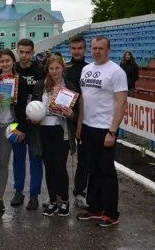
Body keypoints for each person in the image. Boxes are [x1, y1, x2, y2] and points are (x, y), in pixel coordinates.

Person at [76, 36, 127, 227]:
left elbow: (121, 102)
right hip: (88, 126)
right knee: (92, 169)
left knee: (106, 170)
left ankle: (111, 213)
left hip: (106, 128)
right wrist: (80, 123)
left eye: (101, 48)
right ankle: (95, 208)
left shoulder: (116, 71)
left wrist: (112, 132)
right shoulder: (86, 69)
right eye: (94, 48)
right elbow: (83, 99)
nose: (96, 51)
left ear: (109, 49)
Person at [0, 49, 29, 213]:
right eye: (2, 61)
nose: (5, 64)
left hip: (9, 127)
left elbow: (22, 106)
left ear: (13, 62)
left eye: (8, 61)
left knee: (3, 162)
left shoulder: (20, 81)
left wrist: (22, 128)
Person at [33, 55, 78, 217]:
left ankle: (64, 201)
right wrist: (33, 115)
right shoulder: (40, 86)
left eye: (57, 68)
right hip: (45, 130)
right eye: (51, 68)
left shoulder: (70, 86)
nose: (54, 71)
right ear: (48, 69)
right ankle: (53, 201)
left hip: (62, 131)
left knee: (60, 167)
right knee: (50, 167)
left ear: (62, 68)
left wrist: (71, 113)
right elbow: (34, 106)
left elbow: (76, 113)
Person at [11, 38, 45, 210]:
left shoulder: (40, 71)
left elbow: (43, 97)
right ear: (17, 51)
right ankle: (18, 191)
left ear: (32, 53)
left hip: (35, 122)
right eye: (21, 51)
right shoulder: (12, 68)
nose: (23, 55)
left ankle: (34, 194)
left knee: (35, 158)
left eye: (27, 52)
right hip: (15, 121)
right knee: (17, 158)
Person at [66, 34, 90, 209]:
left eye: (80, 48)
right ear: (70, 49)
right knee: (59, 158)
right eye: (73, 48)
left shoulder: (90, 70)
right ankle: (58, 193)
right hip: (64, 118)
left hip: (84, 119)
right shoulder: (64, 69)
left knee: (83, 158)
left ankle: (80, 192)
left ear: (85, 49)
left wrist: (80, 123)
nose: (76, 51)